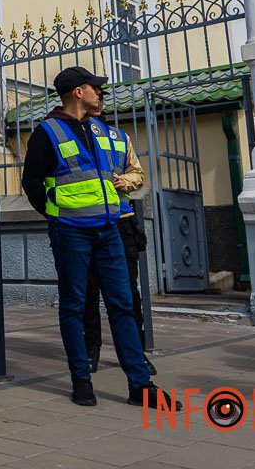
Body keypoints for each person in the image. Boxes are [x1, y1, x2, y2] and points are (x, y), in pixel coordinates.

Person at [21, 66, 179, 410]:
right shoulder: (47, 132)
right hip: (71, 232)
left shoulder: (100, 129)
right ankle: (81, 379)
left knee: (123, 304)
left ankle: (141, 385)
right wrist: (55, 215)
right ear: (79, 92)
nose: (99, 92)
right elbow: (31, 183)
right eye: (95, 87)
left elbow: (113, 174)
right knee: (75, 306)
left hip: (109, 229)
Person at [81, 100, 153, 376]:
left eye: (101, 95)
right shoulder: (72, 134)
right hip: (86, 221)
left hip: (121, 221)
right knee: (88, 291)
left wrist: (125, 180)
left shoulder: (120, 137)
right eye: (93, 94)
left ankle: (136, 353)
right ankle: (90, 350)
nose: (97, 100)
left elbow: (138, 173)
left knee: (127, 292)